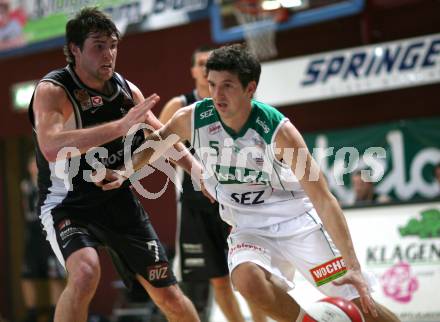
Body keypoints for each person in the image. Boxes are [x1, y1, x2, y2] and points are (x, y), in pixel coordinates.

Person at [100, 44, 400, 322]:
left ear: (250, 88)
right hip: (249, 227)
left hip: (297, 223)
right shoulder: (192, 118)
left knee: (361, 304)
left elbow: (323, 198)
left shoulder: (278, 131)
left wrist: (354, 266)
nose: (217, 95)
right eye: (213, 84)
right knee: (245, 280)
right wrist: (124, 171)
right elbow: (157, 143)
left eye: (227, 86)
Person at [28, 7, 200, 322]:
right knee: (84, 273)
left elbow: (159, 137)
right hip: (68, 204)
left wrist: (198, 172)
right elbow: (51, 147)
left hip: (118, 201)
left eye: (113, 45)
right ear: (75, 50)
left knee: (169, 296)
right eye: (98, 46)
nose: (109, 54)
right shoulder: (52, 90)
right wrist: (120, 127)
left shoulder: (126, 89)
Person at [159, 45, 267, 322]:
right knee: (217, 279)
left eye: (210, 62)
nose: (206, 66)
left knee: (250, 271)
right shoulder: (180, 105)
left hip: (235, 197)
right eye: (201, 62)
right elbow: (158, 145)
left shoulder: (238, 101)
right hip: (196, 201)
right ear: (194, 70)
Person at [20, 155, 65, 322]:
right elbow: (26, 208)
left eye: (37, 164)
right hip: (33, 233)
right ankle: (31, 314)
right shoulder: (25, 186)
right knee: (27, 275)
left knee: (55, 275)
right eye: (32, 163)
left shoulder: (50, 183)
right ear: (29, 167)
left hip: (49, 232)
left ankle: (56, 314)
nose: (35, 166)